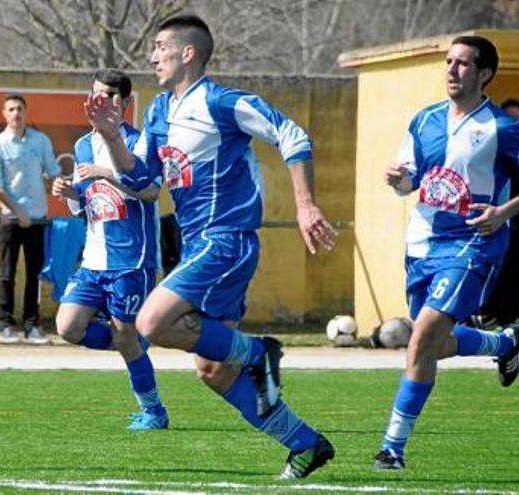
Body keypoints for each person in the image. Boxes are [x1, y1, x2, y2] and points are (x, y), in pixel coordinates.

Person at [85, 15, 337, 479]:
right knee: (212, 370)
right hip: (199, 245)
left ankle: (259, 352)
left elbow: (293, 134)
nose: (152, 55)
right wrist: (112, 136)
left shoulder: (222, 102)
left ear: (188, 53)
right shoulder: (160, 110)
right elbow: (141, 178)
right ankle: (305, 443)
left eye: (160, 46)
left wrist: (305, 206)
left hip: (227, 239)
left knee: (151, 321)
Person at [374, 36, 519, 471]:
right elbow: (409, 183)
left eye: (462, 64)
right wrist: (396, 178)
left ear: (484, 74)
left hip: (473, 243)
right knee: (431, 345)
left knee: (421, 337)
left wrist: (504, 212)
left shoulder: (503, 128)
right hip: (422, 243)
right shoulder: (425, 121)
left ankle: (392, 449)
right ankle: (505, 342)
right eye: (448, 62)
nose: (452, 70)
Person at [52, 69, 168, 430]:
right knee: (67, 327)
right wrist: (70, 194)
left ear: (125, 102)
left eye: (112, 96)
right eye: (97, 95)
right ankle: (132, 340)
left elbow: (150, 192)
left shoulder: (140, 142)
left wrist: (107, 173)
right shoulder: (83, 145)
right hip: (94, 259)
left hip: (131, 260)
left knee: (124, 335)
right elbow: (89, 203)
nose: (103, 102)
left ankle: (153, 411)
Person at [0, 93, 62, 344]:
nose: (16, 113)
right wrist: (18, 211)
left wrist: (67, 185)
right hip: (10, 219)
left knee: (34, 275)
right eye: (11, 109)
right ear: (4, 114)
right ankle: (6, 324)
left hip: (37, 219)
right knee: (7, 274)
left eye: (19, 108)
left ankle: (32, 326)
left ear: (25, 112)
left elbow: (53, 172)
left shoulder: (40, 141)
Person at [469, 98, 519, 329]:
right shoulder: (488, 155)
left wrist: (504, 213)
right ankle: (485, 316)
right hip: (491, 225)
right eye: (510, 121)